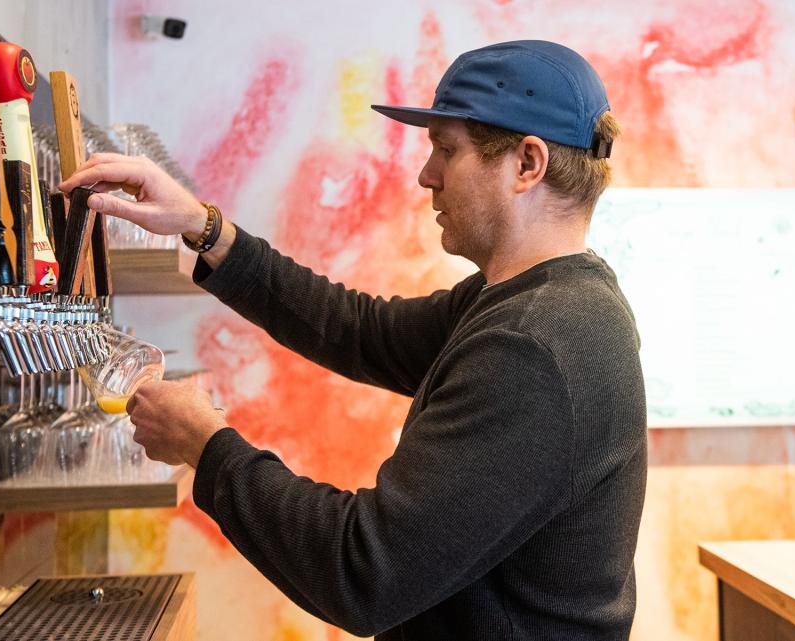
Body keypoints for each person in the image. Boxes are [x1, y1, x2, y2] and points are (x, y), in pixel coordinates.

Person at [59, 40, 647, 641]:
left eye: (447, 150)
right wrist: (203, 227)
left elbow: (364, 572)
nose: (427, 175)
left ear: (528, 163)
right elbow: (359, 329)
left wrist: (205, 445)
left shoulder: (537, 345)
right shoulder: (530, 302)